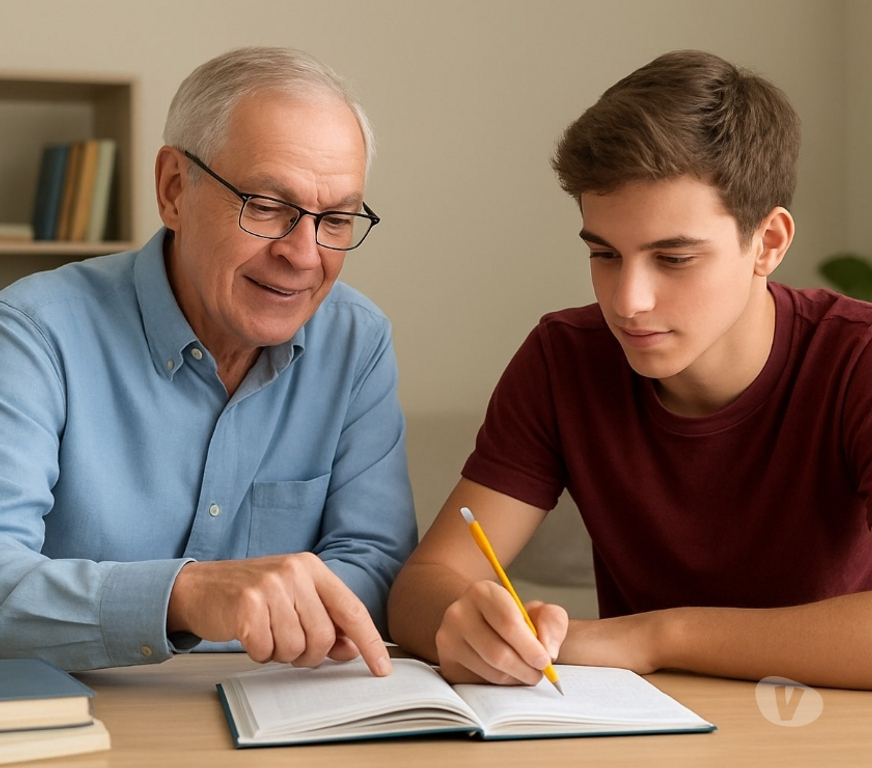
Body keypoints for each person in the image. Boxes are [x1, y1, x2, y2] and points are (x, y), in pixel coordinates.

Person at [388, 49, 872, 691]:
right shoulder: (564, 359)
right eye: (605, 253)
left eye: (673, 259)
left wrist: (653, 635)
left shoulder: (856, 360)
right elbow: (426, 582)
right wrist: (463, 621)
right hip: (637, 735)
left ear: (769, 243)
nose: (627, 301)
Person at [0, 47, 417, 673]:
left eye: (335, 219)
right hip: (82, 723)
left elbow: (379, 565)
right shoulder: (34, 334)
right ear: (174, 190)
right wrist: (186, 598)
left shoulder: (356, 343)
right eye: (269, 206)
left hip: (288, 715)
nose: (305, 255)